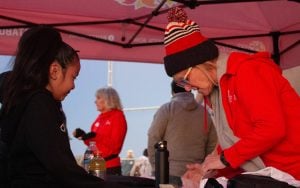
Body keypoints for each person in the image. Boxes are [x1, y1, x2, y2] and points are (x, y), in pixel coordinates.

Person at [162, 7, 300, 185]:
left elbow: (272, 128)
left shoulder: (246, 71)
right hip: (271, 176)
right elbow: (237, 142)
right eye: (181, 84)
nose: (187, 88)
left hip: (292, 173)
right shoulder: (216, 91)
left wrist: (224, 159)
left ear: (201, 63)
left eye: (185, 79)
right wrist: (209, 168)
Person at [0, 26, 129, 188]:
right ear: (54, 71)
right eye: (73, 77)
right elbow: (61, 168)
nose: (73, 86)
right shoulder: (39, 104)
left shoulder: (20, 96)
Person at [147, 81, 217, 187]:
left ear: (172, 92)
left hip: (168, 173)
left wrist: (155, 167)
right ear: (190, 88)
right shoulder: (204, 113)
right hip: (195, 176)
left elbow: (153, 137)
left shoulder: (167, 109)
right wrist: (202, 167)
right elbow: (212, 144)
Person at [74, 87, 127, 176]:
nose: (95, 102)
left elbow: (115, 145)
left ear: (108, 100)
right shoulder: (99, 119)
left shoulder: (118, 117)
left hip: (109, 167)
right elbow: (93, 145)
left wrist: (96, 136)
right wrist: (84, 137)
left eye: (98, 98)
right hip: (95, 165)